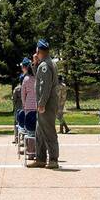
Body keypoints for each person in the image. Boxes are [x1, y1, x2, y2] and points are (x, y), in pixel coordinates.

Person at [27, 40, 60, 169]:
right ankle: (40, 158)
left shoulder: (45, 65)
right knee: (39, 131)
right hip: (46, 102)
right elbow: (40, 78)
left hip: (46, 103)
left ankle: (53, 159)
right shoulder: (44, 64)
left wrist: (41, 103)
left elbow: (45, 86)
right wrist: (35, 64)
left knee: (49, 131)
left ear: (38, 51)